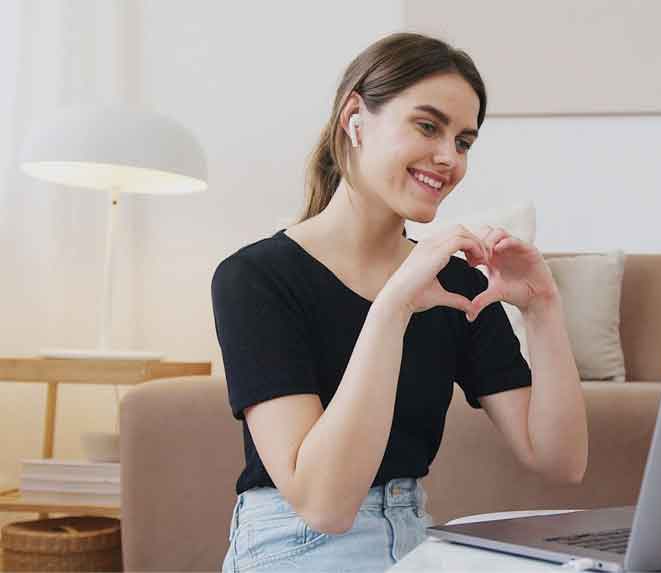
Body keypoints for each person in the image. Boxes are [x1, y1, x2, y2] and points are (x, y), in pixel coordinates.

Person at [211, 32, 588, 572]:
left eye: (463, 142)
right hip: (292, 545)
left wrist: (544, 307)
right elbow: (324, 505)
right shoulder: (255, 278)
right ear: (355, 118)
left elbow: (559, 460)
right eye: (428, 126)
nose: (447, 158)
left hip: (413, 541)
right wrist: (393, 307)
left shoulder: (454, 281)